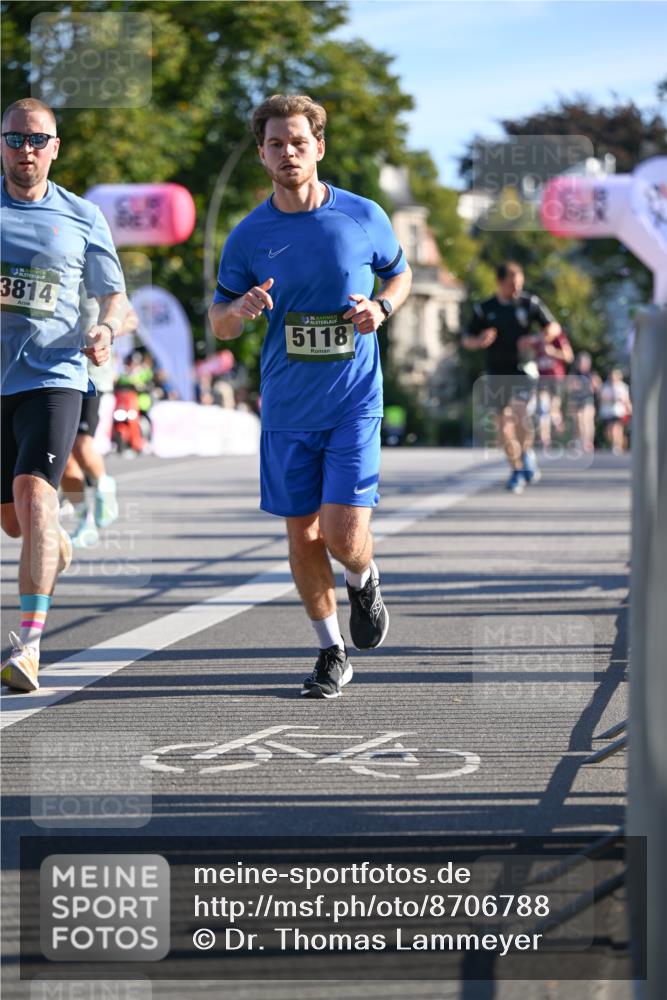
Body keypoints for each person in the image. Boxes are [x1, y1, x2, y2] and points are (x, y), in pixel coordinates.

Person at [208, 94, 412, 699]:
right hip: (287, 407)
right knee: (302, 536)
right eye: (276, 144)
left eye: (298, 142)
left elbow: (400, 274)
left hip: (353, 400)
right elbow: (218, 320)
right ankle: (330, 650)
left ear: (318, 147)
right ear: (262, 153)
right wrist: (239, 310)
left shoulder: (361, 215)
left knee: (343, 534)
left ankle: (364, 575)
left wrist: (383, 306)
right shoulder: (248, 235)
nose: (288, 153)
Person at [1, 98, 127, 692]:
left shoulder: (82, 216)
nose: (25, 149)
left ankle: (27, 646)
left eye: (37, 140)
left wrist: (103, 329)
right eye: (15, 138)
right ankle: (51, 544)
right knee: (16, 522)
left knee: (36, 495)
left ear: (55, 148)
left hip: (55, 374)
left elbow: (114, 300)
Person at [462, 261, 562, 493]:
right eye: (511, 284)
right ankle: (517, 468)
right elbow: (467, 339)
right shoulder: (484, 308)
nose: (516, 289)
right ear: (499, 283)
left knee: (519, 414)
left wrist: (538, 339)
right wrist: (479, 341)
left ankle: (526, 453)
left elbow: (554, 327)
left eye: (519, 284)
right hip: (496, 372)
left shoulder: (530, 303)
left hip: (523, 369)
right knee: (503, 427)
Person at [59, 290, 123, 548]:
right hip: (56, 373)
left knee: (81, 445)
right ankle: (85, 519)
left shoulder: (98, 273)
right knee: (61, 457)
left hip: (91, 375)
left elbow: (128, 318)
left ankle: (104, 486)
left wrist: (108, 331)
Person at [534, 325, 574, 447]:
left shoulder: (559, 339)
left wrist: (553, 352)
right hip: (543, 378)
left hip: (556, 378)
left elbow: (569, 357)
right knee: (543, 407)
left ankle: (557, 423)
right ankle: (544, 438)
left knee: (553, 409)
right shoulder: (538, 341)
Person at [567, 351, 601, 454]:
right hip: (577, 400)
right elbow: (569, 388)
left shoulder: (591, 375)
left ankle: (588, 442)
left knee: (588, 421)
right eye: (581, 362)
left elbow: (597, 387)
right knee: (578, 421)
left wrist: (592, 386)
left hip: (587, 400)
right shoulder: (574, 374)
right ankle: (579, 440)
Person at [598, 368, 632, 454]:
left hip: (619, 411)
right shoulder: (605, 386)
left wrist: (629, 408)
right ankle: (615, 443)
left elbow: (626, 399)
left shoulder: (623, 386)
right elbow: (602, 398)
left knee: (617, 428)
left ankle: (617, 446)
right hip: (608, 411)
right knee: (609, 431)